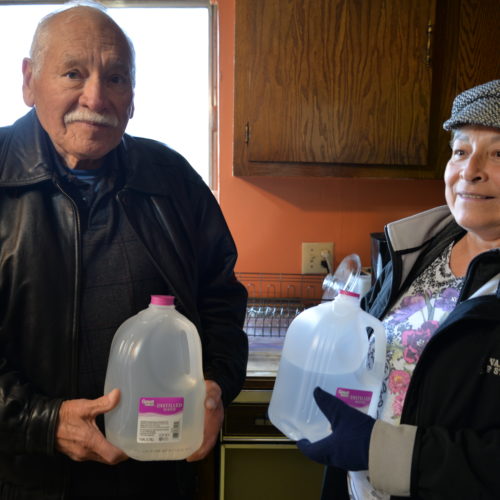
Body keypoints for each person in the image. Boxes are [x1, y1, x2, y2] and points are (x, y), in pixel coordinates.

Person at [0, 2, 248, 499]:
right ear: (29, 80)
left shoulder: (171, 178)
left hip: (153, 473)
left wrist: (216, 384)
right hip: (22, 475)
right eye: (73, 72)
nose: (95, 96)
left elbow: (220, 297)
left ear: (132, 96)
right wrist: (44, 423)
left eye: (116, 78)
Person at [297, 79, 500, 499]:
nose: (470, 170)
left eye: (498, 153)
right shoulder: (417, 250)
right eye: (461, 151)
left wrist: (382, 451)